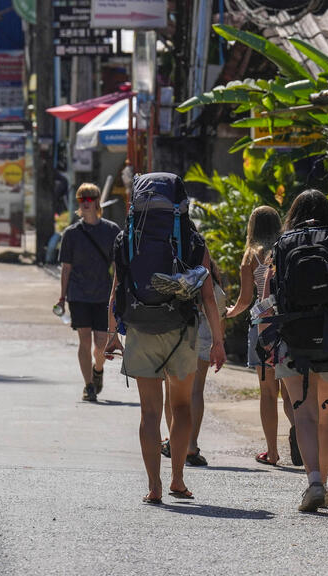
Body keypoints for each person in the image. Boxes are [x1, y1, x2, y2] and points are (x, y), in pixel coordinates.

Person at [103, 172, 225, 504]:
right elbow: (209, 295)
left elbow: (117, 291)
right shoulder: (193, 240)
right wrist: (217, 340)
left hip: (141, 327)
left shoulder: (126, 239)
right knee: (182, 405)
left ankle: (154, 486)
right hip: (181, 328)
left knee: (149, 413)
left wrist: (113, 333)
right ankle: (178, 479)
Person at [259, 189, 328, 512]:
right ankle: (323, 479)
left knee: (303, 414)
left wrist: (266, 342)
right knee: (326, 415)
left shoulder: (279, 251)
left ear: (292, 215)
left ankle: (314, 482)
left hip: (292, 341)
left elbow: (267, 305)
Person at [224, 205, 297, 467]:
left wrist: (229, 313)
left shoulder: (251, 256)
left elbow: (245, 300)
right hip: (289, 327)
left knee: (268, 394)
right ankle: (304, 433)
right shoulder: (285, 249)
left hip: (263, 326)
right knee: (290, 393)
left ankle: (272, 452)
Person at [57, 183, 121, 402]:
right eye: (81, 200)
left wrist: (120, 292)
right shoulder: (71, 234)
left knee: (101, 343)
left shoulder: (112, 231)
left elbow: (118, 266)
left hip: (103, 294)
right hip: (79, 294)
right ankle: (89, 386)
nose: (84, 203)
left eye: (88, 199)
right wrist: (62, 297)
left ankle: (98, 370)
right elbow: (66, 268)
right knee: (84, 340)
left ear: (96, 202)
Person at [161, 258, 227, 467]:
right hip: (204, 341)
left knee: (172, 391)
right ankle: (190, 445)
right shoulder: (212, 284)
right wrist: (219, 342)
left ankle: (173, 439)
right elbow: (220, 313)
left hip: (177, 337)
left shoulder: (173, 276)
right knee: (196, 392)